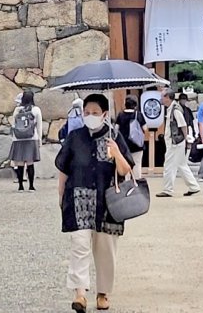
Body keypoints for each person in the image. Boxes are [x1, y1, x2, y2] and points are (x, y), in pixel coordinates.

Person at [55, 93, 134, 313]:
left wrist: (117, 152)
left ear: (105, 114)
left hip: (106, 202)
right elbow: (64, 168)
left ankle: (103, 293)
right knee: (79, 246)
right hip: (78, 199)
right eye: (87, 113)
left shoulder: (114, 136)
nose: (90, 116)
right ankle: (80, 293)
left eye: (95, 113)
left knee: (105, 250)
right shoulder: (75, 136)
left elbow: (125, 170)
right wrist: (60, 194)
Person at [155, 90, 200, 198]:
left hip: (175, 141)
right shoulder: (172, 108)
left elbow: (183, 125)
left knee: (169, 165)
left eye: (162, 97)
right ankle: (194, 186)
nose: (161, 99)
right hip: (176, 141)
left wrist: (186, 138)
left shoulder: (175, 110)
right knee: (181, 164)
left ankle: (168, 189)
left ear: (167, 97)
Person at [10, 90, 43, 191]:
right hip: (31, 138)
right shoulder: (36, 110)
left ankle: (20, 186)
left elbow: (13, 125)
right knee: (30, 163)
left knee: (19, 163)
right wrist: (39, 140)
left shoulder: (17, 110)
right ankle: (31, 186)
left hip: (18, 139)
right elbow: (39, 126)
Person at [115, 97, 146, 179]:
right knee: (137, 164)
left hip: (123, 145)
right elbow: (145, 129)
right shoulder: (138, 115)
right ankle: (136, 184)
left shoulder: (120, 115)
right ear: (135, 105)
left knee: (125, 163)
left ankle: (127, 183)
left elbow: (116, 129)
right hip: (137, 145)